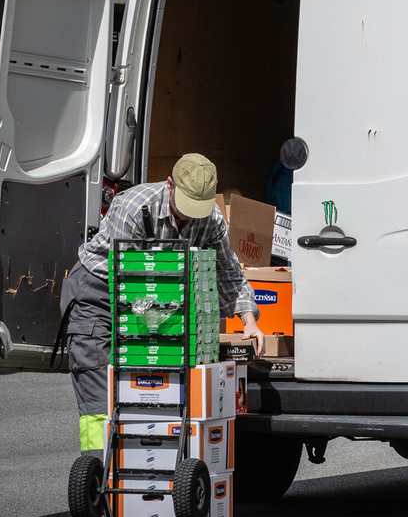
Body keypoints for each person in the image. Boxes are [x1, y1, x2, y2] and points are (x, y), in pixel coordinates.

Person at [59, 153, 263, 461]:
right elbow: (128, 283)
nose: (191, 218)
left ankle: (156, 471)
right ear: (170, 185)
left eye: (198, 209)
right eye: (185, 208)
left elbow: (230, 273)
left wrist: (249, 320)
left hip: (163, 302)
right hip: (100, 293)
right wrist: (170, 324)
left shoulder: (211, 218)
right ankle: (101, 481)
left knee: (156, 389)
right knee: (101, 392)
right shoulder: (133, 207)